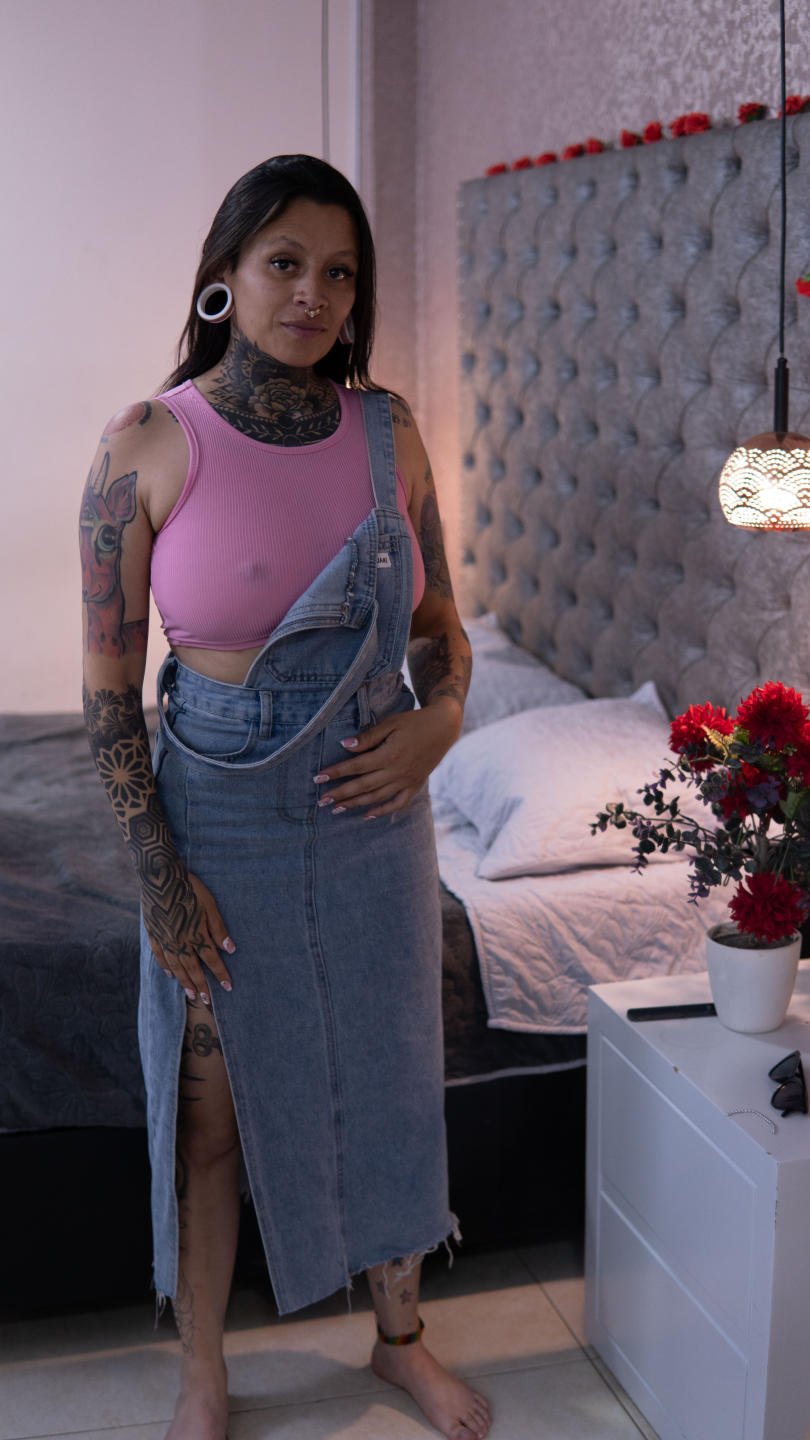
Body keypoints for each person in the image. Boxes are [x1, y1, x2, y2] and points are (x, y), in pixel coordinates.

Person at [80, 154, 490, 1440]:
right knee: (211, 1105)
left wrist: (441, 723)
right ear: (225, 276)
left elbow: (439, 627)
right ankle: (204, 1371)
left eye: (340, 272)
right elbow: (108, 693)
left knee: (392, 1078)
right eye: (285, 263)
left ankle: (400, 1339)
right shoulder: (147, 444)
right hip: (221, 812)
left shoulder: (390, 431)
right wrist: (160, 878)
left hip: (375, 806)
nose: (314, 292)